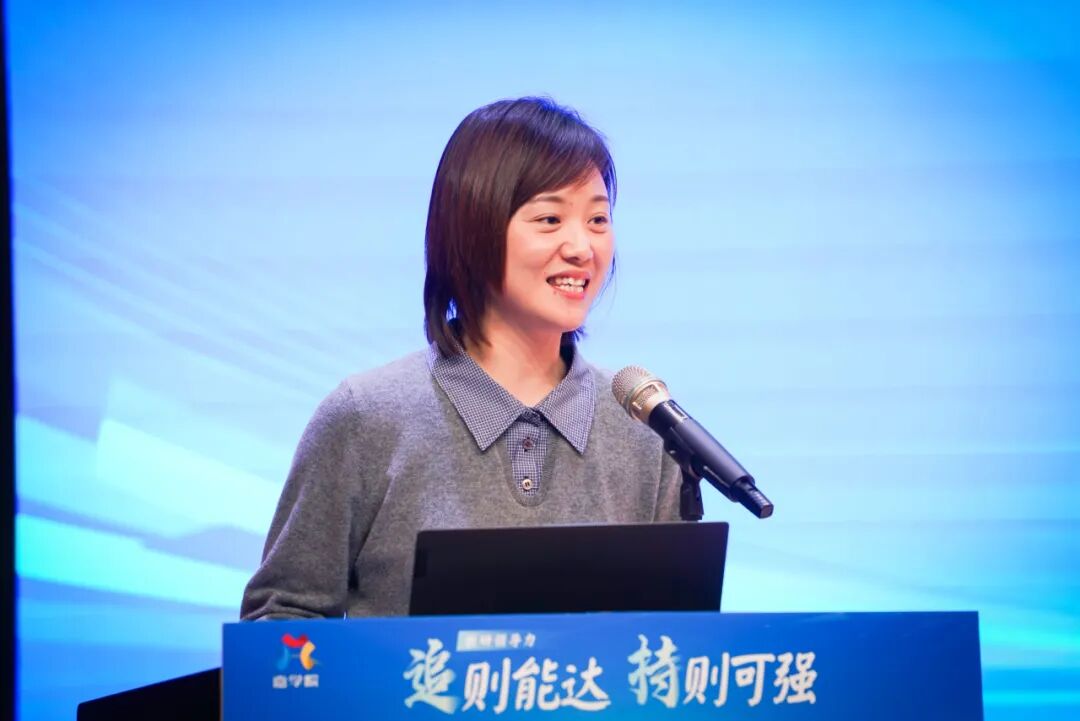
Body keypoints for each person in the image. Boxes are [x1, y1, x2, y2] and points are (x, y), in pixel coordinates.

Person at [241, 97, 683, 620]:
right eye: (550, 218)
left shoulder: (643, 424)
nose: (582, 247)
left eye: (598, 219)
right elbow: (280, 619)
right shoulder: (366, 416)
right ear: (473, 228)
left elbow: (671, 637)